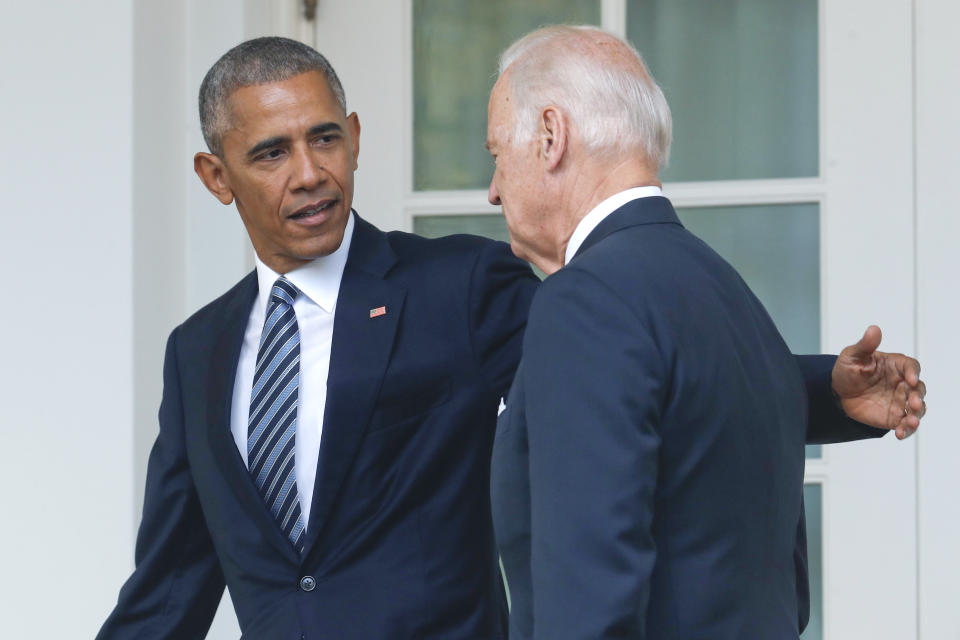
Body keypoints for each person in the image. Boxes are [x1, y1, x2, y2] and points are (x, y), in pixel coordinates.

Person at [99, 36, 922, 640]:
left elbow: (629, 362)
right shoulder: (197, 352)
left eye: (325, 139)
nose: (310, 172)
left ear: (353, 135)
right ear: (217, 177)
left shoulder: (458, 285)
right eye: (271, 153)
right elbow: (169, 587)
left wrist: (826, 393)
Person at [487, 25, 927, 640]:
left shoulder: (583, 299)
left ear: (551, 137)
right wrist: (828, 391)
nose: (493, 189)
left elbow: (589, 595)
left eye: (497, 154)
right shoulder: (723, 286)